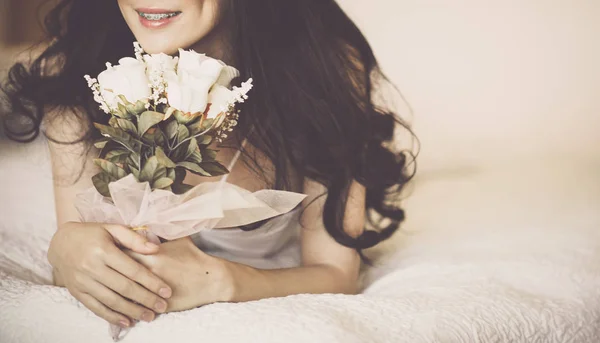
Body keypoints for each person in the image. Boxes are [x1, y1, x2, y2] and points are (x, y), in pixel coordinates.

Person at [1, 0, 413, 330]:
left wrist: (223, 281)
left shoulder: (323, 71)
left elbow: (337, 273)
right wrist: (67, 248)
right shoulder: (74, 76)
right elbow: (85, 257)